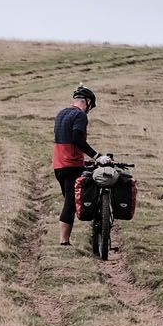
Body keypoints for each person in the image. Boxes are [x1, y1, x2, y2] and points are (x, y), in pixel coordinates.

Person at [53, 86, 99, 246]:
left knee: (69, 200)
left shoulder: (61, 114)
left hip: (58, 164)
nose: (89, 110)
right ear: (87, 102)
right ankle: (64, 242)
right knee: (70, 203)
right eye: (90, 106)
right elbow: (77, 139)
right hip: (71, 164)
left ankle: (64, 239)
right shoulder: (80, 115)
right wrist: (96, 156)